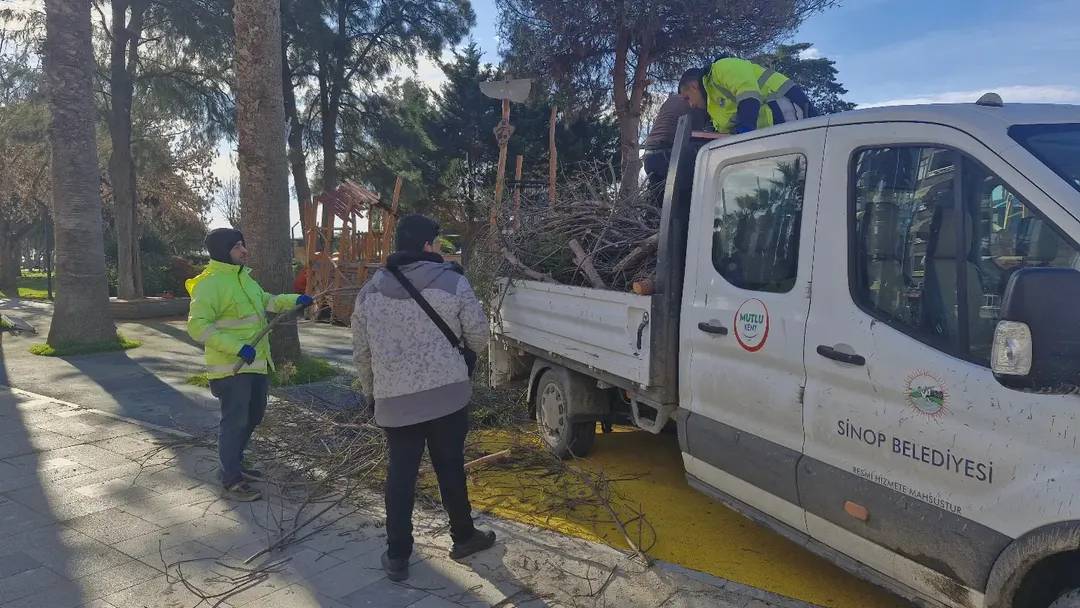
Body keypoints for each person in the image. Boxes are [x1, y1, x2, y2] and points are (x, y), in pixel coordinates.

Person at [351, 214, 494, 582]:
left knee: (400, 475)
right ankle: (463, 537)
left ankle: (397, 554)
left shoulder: (370, 292)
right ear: (428, 245)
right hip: (448, 398)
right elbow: (478, 338)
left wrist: (371, 393)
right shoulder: (453, 282)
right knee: (450, 466)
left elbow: (362, 353)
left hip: (396, 402)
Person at [186, 228, 314, 502]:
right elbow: (197, 327)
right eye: (238, 247)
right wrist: (236, 348)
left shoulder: (245, 279)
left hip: (256, 364)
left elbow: (268, 301)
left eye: (243, 245)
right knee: (235, 422)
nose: (244, 251)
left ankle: (236, 462)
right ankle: (231, 479)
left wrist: (296, 300)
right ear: (223, 251)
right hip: (231, 369)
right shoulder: (210, 284)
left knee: (254, 415)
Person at [702, 54, 816, 135]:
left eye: (687, 98)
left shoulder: (722, 66)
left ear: (693, 86)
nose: (691, 104)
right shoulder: (712, 102)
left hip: (784, 106)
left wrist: (745, 131)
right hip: (773, 126)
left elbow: (748, 95)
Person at [641, 68, 709, 187]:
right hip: (669, 153)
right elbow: (705, 134)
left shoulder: (671, 100)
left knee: (659, 201)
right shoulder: (695, 101)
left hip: (649, 156)